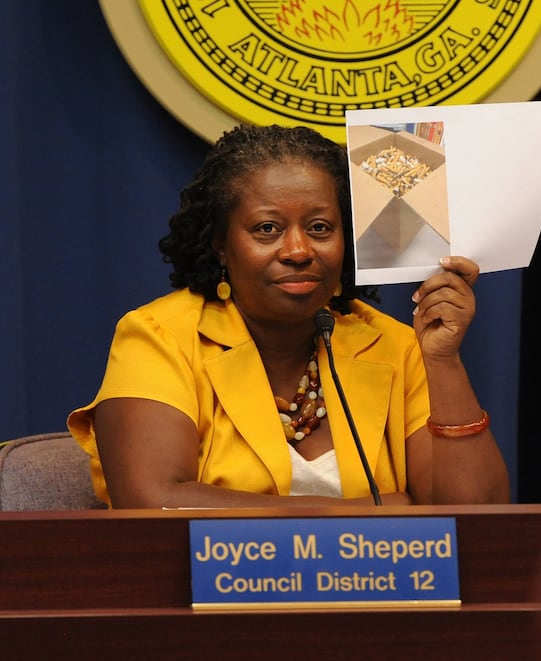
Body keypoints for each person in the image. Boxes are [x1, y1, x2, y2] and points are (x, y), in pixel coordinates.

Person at [67, 123, 509, 509]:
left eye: (320, 228)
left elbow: (474, 515)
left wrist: (444, 360)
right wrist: (379, 510)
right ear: (221, 244)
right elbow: (153, 503)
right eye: (267, 229)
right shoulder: (160, 336)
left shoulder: (395, 346)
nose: (298, 251)